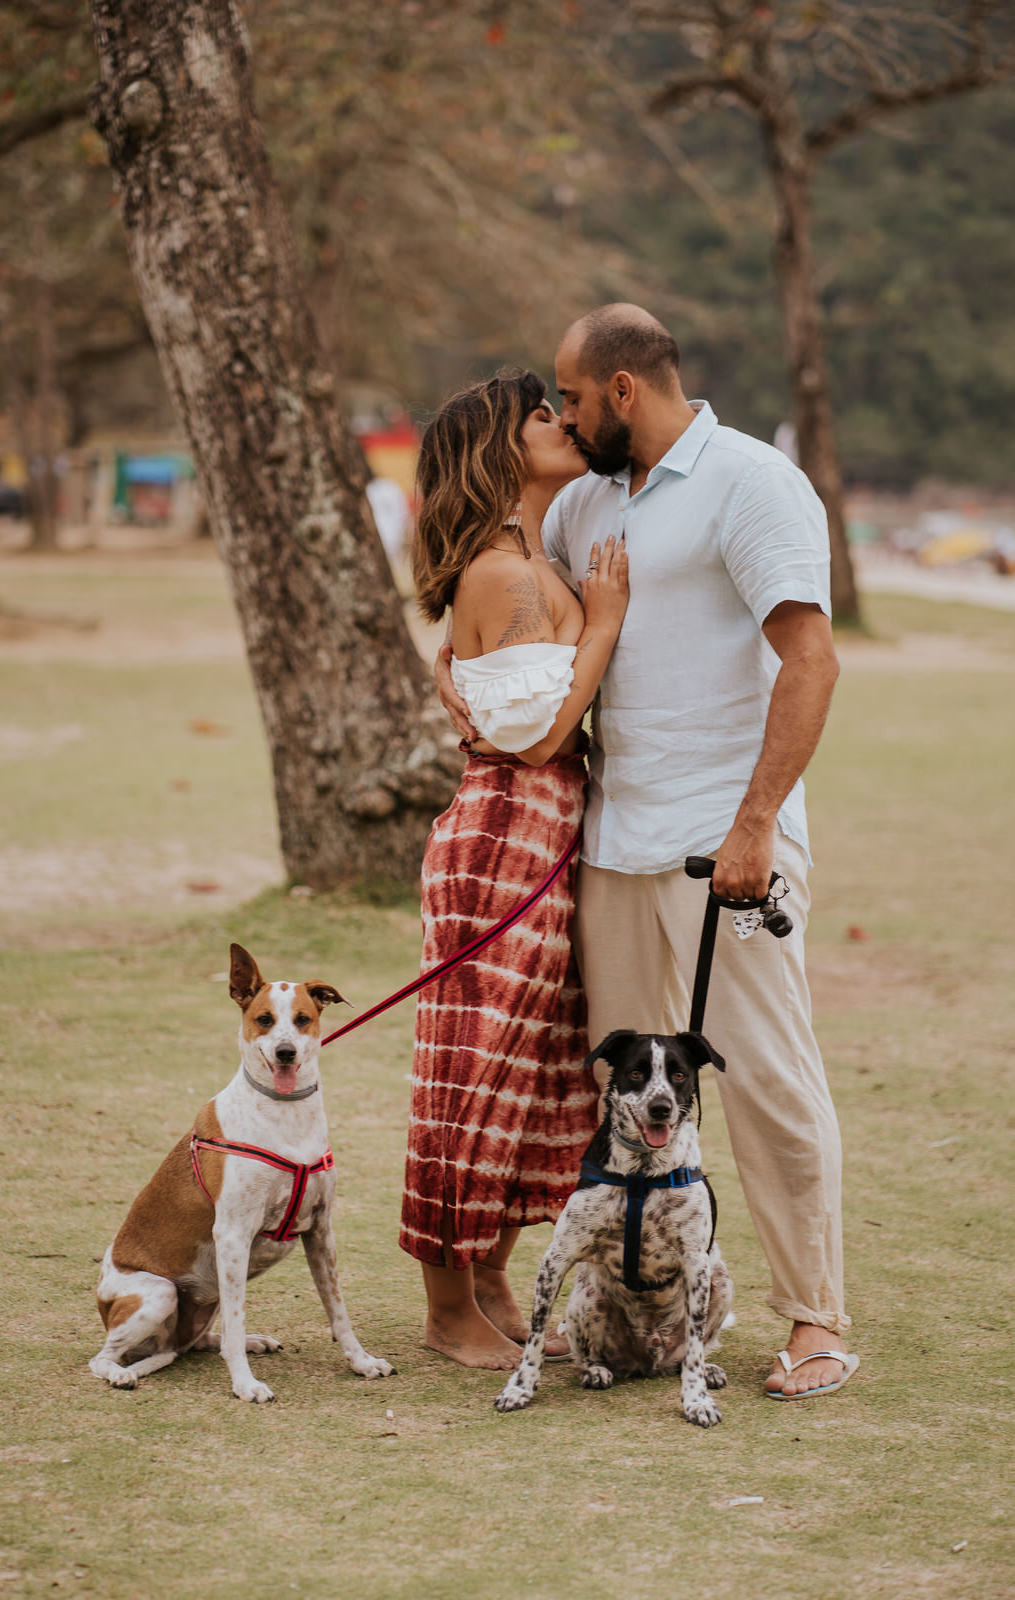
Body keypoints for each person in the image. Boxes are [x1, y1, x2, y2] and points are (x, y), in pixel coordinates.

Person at [438, 306, 856, 1400]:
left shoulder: (752, 484)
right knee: (613, 1098)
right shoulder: (581, 504)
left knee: (763, 1077)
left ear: (622, 390)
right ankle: (622, 1314)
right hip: (608, 847)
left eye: (571, 400)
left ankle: (815, 1320)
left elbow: (809, 663)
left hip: (726, 845)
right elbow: (540, 650)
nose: (563, 421)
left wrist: (755, 823)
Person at [402, 369, 630, 1370]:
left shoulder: (532, 563)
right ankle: (446, 1309)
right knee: (474, 1066)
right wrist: (606, 624)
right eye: (543, 416)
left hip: (543, 836)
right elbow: (536, 740)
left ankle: (487, 1278)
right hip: (504, 834)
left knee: (532, 1072)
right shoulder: (504, 576)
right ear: (500, 446)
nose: (564, 423)